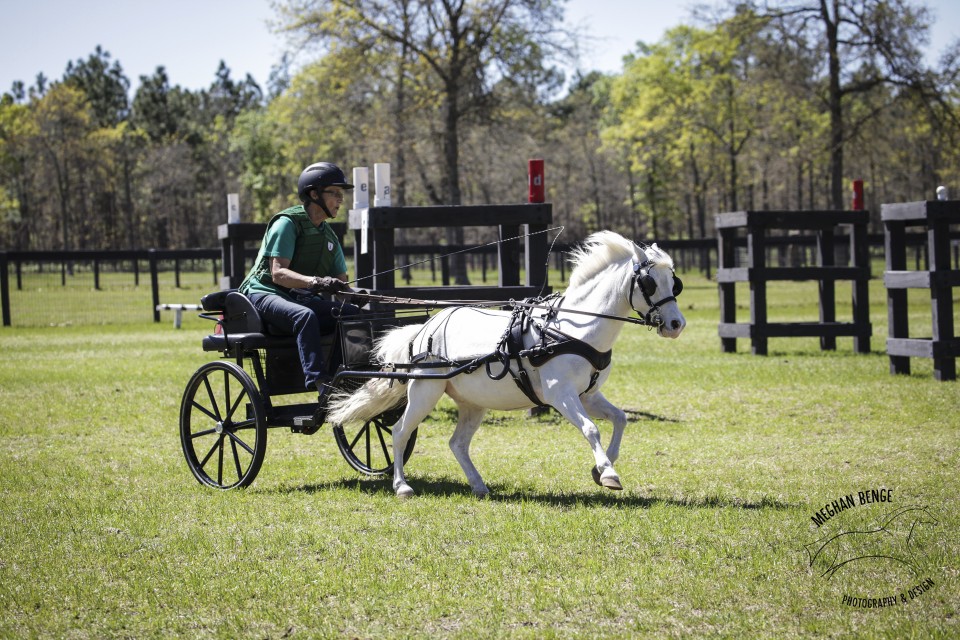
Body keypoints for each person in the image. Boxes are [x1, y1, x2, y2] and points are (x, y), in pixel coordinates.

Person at [239, 161, 361, 401]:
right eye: (334, 193)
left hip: (297, 297)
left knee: (350, 314)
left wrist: (357, 297)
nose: (341, 200)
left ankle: (341, 377)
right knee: (304, 316)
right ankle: (320, 382)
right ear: (314, 194)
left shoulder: (329, 238)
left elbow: (341, 288)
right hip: (263, 293)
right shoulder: (287, 224)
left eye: (342, 194)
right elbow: (278, 274)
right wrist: (317, 282)